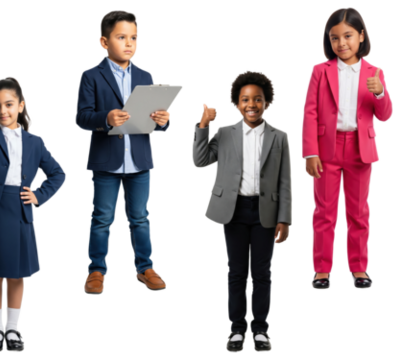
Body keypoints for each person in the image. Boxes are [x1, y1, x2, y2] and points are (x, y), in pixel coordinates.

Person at [0, 77, 66, 352]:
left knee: (18, 274)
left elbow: (59, 173)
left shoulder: (36, 142)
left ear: (21, 105)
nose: (2, 110)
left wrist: (39, 195)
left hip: (19, 209)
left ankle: (14, 329)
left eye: (8, 104)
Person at [191, 69, 293, 352]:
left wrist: (285, 218)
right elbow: (199, 160)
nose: (252, 104)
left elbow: (286, 182)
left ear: (267, 102)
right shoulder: (225, 133)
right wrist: (203, 126)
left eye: (258, 99)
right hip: (233, 210)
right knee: (236, 271)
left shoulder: (279, 137)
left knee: (262, 272)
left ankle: (260, 328)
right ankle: (236, 329)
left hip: (265, 212)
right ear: (236, 103)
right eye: (245, 99)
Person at [74, 10, 171, 295]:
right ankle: (95, 271)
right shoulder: (90, 76)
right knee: (102, 218)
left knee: (140, 217)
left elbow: (154, 119)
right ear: (104, 42)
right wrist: (106, 118)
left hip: (139, 161)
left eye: (134, 38)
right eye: (121, 37)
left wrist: (163, 121)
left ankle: (146, 267)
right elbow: (81, 117)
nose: (129, 43)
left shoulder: (145, 75)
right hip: (106, 161)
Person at [301, 7, 392, 291]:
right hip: (325, 149)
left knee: (359, 212)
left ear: (361, 36)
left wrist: (380, 92)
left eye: (348, 36)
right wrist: (310, 153)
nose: (342, 43)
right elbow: (310, 113)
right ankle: (321, 271)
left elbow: (385, 115)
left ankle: (360, 269)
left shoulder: (375, 72)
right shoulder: (319, 71)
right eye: (335, 37)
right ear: (328, 40)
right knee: (323, 212)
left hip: (360, 149)